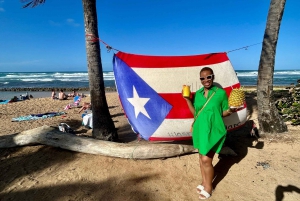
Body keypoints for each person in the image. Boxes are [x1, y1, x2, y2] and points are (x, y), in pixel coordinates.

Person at [183, 67, 236, 200]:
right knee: (201, 158)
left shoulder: (220, 93)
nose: (206, 80)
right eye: (202, 78)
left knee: (206, 159)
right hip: (200, 129)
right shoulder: (198, 94)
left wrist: (230, 111)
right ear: (200, 80)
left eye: (208, 77)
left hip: (213, 129)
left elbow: (223, 112)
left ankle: (209, 187)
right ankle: (204, 181)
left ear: (213, 77)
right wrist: (187, 99)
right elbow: (195, 113)